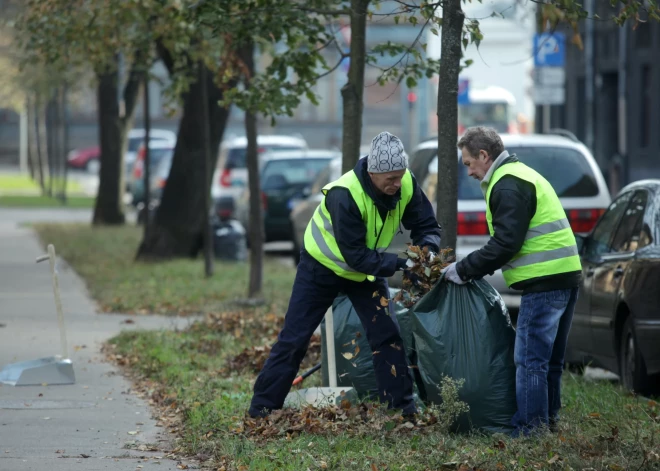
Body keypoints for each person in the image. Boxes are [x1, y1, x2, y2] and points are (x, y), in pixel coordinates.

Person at [248, 131, 442, 418]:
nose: (396, 183)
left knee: (388, 336)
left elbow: (427, 224)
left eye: (400, 176)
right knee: (294, 339)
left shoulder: (406, 183)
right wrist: (403, 265)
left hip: (365, 273)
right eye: (390, 178)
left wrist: (428, 253)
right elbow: (356, 256)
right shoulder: (345, 194)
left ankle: (402, 412)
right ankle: (261, 410)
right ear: (373, 172)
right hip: (321, 269)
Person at [441, 126, 581, 436]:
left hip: (543, 281)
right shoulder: (521, 174)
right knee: (550, 361)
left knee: (529, 360)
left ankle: (531, 430)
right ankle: (548, 423)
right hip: (565, 275)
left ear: (484, 155)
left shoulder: (506, 185)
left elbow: (506, 243)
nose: (469, 172)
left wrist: (464, 269)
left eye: (468, 163)